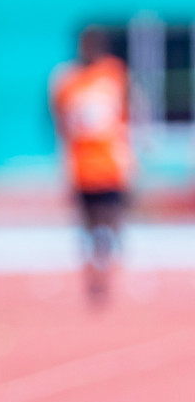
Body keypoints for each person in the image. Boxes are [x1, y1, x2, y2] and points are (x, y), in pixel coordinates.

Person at [49, 27, 134, 305]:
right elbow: (61, 127)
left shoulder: (114, 74)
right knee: (87, 227)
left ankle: (106, 269)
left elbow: (129, 115)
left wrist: (132, 155)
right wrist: (64, 164)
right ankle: (93, 274)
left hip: (111, 166)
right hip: (83, 168)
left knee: (110, 223)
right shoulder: (66, 81)